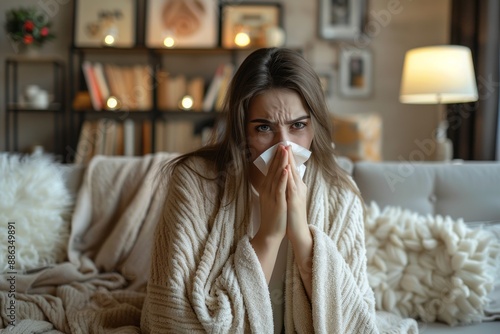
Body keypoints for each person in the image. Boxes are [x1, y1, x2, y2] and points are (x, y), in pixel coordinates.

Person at [141, 47, 418, 333]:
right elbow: (170, 318)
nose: (283, 146)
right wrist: (269, 235)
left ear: (315, 127)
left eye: (297, 125)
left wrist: (301, 234)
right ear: (242, 131)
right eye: (264, 128)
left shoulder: (341, 194)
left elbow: (355, 321)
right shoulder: (195, 182)